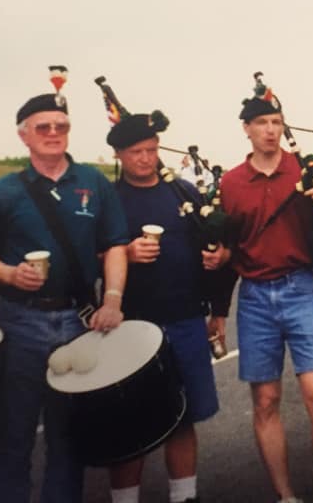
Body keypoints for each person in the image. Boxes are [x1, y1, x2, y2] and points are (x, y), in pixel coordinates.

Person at [204, 78, 313, 503]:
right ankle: (286, 496)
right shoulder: (232, 184)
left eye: (276, 121)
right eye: (261, 123)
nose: (270, 130)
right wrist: (218, 303)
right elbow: (230, 249)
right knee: (266, 401)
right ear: (247, 130)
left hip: (302, 290)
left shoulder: (305, 168)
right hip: (255, 297)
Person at [0, 81, 129, 503]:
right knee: (13, 437)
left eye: (61, 125)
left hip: (78, 321)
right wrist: (10, 275)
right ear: (23, 134)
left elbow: (115, 244)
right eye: (42, 126)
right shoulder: (4, 190)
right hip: (20, 323)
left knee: (69, 441)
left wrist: (113, 299)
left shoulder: (94, 182)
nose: (52, 132)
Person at [105, 107, 231, 503]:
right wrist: (125, 251)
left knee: (183, 417)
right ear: (119, 155)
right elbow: (89, 254)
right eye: (136, 152)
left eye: (151, 149)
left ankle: (184, 496)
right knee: (130, 425)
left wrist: (219, 257)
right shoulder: (110, 199)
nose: (145, 158)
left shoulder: (182, 192)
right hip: (131, 325)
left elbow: (212, 244)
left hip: (186, 318)